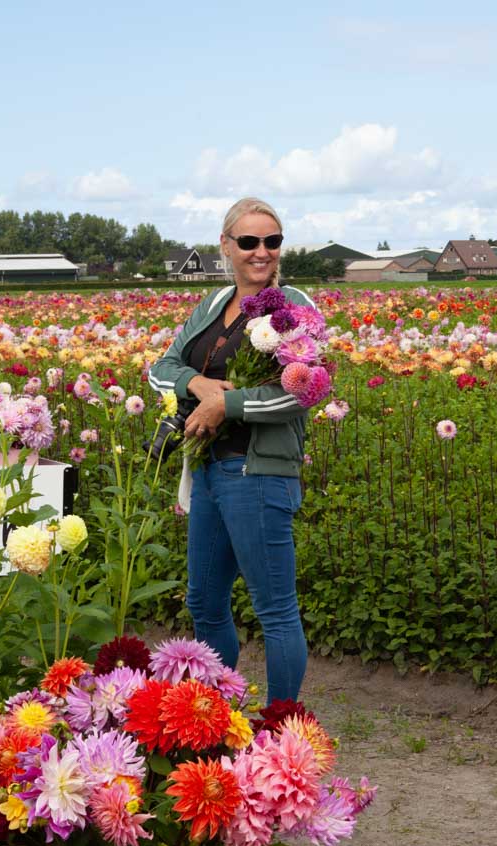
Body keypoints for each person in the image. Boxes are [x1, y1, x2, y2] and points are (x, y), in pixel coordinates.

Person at [147, 197, 313, 704]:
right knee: (204, 601)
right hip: (210, 472)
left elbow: (299, 389)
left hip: (258, 472)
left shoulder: (295, 307)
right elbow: (162, 368)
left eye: (272, 241)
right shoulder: (215, 304)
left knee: (274, 608)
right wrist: (200, 386)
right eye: (249, 242)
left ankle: (279, 727)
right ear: (226, 246)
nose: (261, 252)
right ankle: (217, 714)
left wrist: (229, 406)